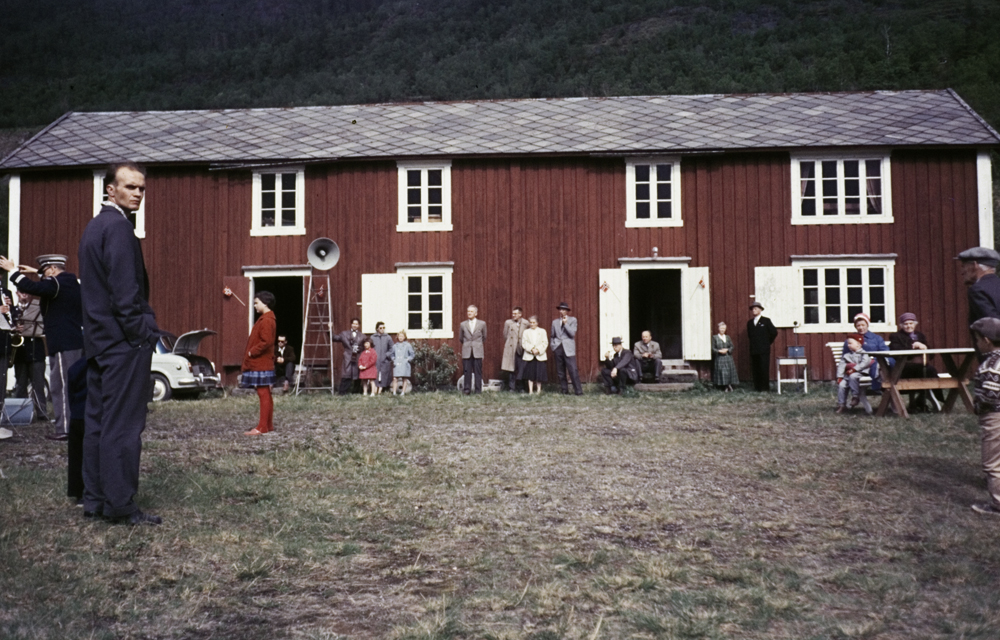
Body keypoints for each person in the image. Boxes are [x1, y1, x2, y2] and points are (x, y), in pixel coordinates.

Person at [78, 161, 161, 525]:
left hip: (97, 343)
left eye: (141, 188)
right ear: (110, 190)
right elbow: (125, 295)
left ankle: (95, 500)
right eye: (130, 187)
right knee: (123, 427)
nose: (138, 194)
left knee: (97, 423)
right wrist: (141, 335)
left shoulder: (94, 228)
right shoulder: (120, 230)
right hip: (122, 344)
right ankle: (121, 505)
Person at [0, 253, 84, 440]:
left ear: (53, 269)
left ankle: (65, 430)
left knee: (61, 386)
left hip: (63, 343)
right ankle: (71, 426)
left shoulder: (58, 284)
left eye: (45, 271)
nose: (43, 275)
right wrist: (38, 272)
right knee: (68, 385)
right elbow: (47, 284)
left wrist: (12, 270)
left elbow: (32, 287)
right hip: (70, 342)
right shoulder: (69, 282)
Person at [969, 316, 1000, 516]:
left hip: (994, 417)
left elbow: (991, 394)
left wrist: (979, 405)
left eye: (978, 339)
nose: (977, 343)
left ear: (986, 340)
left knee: (992, 462)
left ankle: (998, 504)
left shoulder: (991, 364)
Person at [240, 292, 277, 435]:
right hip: (263, 362)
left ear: (264, 303)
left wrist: (252, 352)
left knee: (263, 392)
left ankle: (262, 427)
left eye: (256, 303)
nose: (255, 305)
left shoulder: (267, 320)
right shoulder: (267, 318)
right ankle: (268, 425)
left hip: (260, 362)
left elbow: (266, 341)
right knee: (265, 392)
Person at [888, 312, 939, 412]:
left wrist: (925, 347)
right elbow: (896, 351)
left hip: (921, 366)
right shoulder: (896, 336)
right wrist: (913, 346)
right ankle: (917, 403)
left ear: (915, 324)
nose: (909, 326)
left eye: (911, 323)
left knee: (931, 371)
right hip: (904, 368)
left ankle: (920, 400)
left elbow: (931, 354)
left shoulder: (920, 336)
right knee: (920, 370)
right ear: (901, 326)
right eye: (906, 324)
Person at [12, 290, 49, 419]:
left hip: (36, 349)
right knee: (21, 383)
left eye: (27, 293)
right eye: (22, 293)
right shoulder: (12, 309)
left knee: (38, 383)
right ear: (17, 293)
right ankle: (20, 414)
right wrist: (14, 328)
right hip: (20, 351)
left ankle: (41, 412)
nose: (24, 295)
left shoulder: (37, 309)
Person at [845, 312, 892, 394]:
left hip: (875, 364)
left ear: (867, 325)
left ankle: (886, 390)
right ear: (855, 326)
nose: (861, 327)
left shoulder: (876, 338)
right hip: (859, 366)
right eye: (858, 325)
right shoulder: (851, 339)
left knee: (881, 366)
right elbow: (845, 355)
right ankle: (884, 389)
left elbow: (885, 351)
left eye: (863, 325)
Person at [958, 247, 1000, 324]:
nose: (962, 272)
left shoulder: (977, 290)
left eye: (963, 266)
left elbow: (992, 325)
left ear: (975, 265)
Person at [836, 333, 874, 415]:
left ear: (858, 344)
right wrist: (840, 376)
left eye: (850, 343)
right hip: (848, 376)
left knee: (853, 376)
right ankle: (841, 404)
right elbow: (841, 366)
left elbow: (865, 363)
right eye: (848, 343)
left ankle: (855, 396)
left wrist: (854, 369)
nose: (848, 345)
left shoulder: (864, 354)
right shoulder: (847, 355)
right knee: (842, 384)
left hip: (861, 374)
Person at [551, 302, 583, 395]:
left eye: (564, 309)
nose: (562, 311)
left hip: (568, 349)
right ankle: (564, 390)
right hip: (558, 347)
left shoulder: (573, 320)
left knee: (573, 370)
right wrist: (553, 346)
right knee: (560, 371)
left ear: (567, 311)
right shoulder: (555, 322)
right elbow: (552, 335)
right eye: (561, 309)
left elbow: (572, 334)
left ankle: (578, 391)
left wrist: (565, 324)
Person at [746, 301, 777, 392]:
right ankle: (757, 388)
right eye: (752, 309)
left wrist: (767, 342)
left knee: (764, 368)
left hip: (764, 349)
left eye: (755, 308)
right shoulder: (750, 323)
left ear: (760, 310)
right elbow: (750, 336)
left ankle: (765, 388)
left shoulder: (766, 321)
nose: (754, 310)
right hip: (754, 349)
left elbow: (774, 332)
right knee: (756, 369)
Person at [334, 318, 366, 395]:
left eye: (356, 324)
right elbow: (335, 338)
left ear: (359, 325)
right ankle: (342, 392)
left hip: (358, 357)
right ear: (351, 324)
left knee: (357, 374)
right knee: (346, 373)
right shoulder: (344, 334)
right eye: (353, 323)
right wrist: (329, 329)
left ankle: (356, 391)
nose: (355, 325)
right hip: (348, 357)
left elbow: (366, 346)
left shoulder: (362, 336)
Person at [459, 305, 486, 394]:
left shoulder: (482, 324)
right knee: (467, 371)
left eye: (471, 311)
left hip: (477, 351)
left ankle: (478, 390)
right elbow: (461, 338)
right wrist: (468, 345)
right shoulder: (463, 324)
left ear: (476, 313)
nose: (469, 313)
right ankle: (467, 390)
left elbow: (484, 337)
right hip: (467, 351)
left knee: (478, 371)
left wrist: (476, 345)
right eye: (468, 311)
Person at [501, 307, 530, 392]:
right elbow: (505, 335)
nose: (513, 315)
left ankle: (521, 387)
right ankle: (511, 387)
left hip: (521, 349)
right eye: (513, 313)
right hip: (511, 348)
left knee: (522, 368)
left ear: (520, 314)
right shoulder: (508, 323)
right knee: (511, 369)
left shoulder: (526, 323)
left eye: (516, 314)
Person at [519, 315, 548, 394]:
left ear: (537, 323)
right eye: (530, 323)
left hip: (539, 356)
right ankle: (530, 390)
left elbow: (545, 343)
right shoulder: (526, 332)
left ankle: (538, 390)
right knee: (530, 374)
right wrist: (531, 349)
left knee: (539, 374)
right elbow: (524, 343)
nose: (532, 324)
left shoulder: (542, 331)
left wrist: (538, 350)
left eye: (534, 322)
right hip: (529, 356)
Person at [711, 322, 738, 391]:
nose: (722, 330)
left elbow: (732, 346)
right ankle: (725, 386)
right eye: (721, 328)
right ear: (718, 329)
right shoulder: (715, 337)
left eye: (724, 328)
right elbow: (713, 348)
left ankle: (729, 385)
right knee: (723, 372)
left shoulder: (727, 337)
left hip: (728, 357)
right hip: (720, 358)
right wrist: (719, 351)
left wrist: (727, 350)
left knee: (729, 371)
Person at [369, 322, 394, 393]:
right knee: (375, 373)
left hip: (384, 359)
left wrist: (387, 355)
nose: (382, 329)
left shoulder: (388, 337)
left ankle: (381, 388)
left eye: (383, 328)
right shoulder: (373, 337)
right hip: (375, 359)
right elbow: (370, 347)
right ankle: (375, 387)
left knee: (384, 373)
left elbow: (392, 348)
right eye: (380, 328)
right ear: (377, 328)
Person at [392, 330, 415, 395]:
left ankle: (403, 392)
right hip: (397, 364)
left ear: (404, 337)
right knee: (395, 378)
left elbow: (412, 354)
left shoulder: (407, 345)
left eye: (402, 336)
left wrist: (408, 359)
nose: (400, 337)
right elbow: (392, 354)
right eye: (399, 336)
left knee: (404, 378)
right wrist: (394, 359)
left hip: (404, 364)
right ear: (397, 337)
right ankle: (394, 392)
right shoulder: (395, 346)